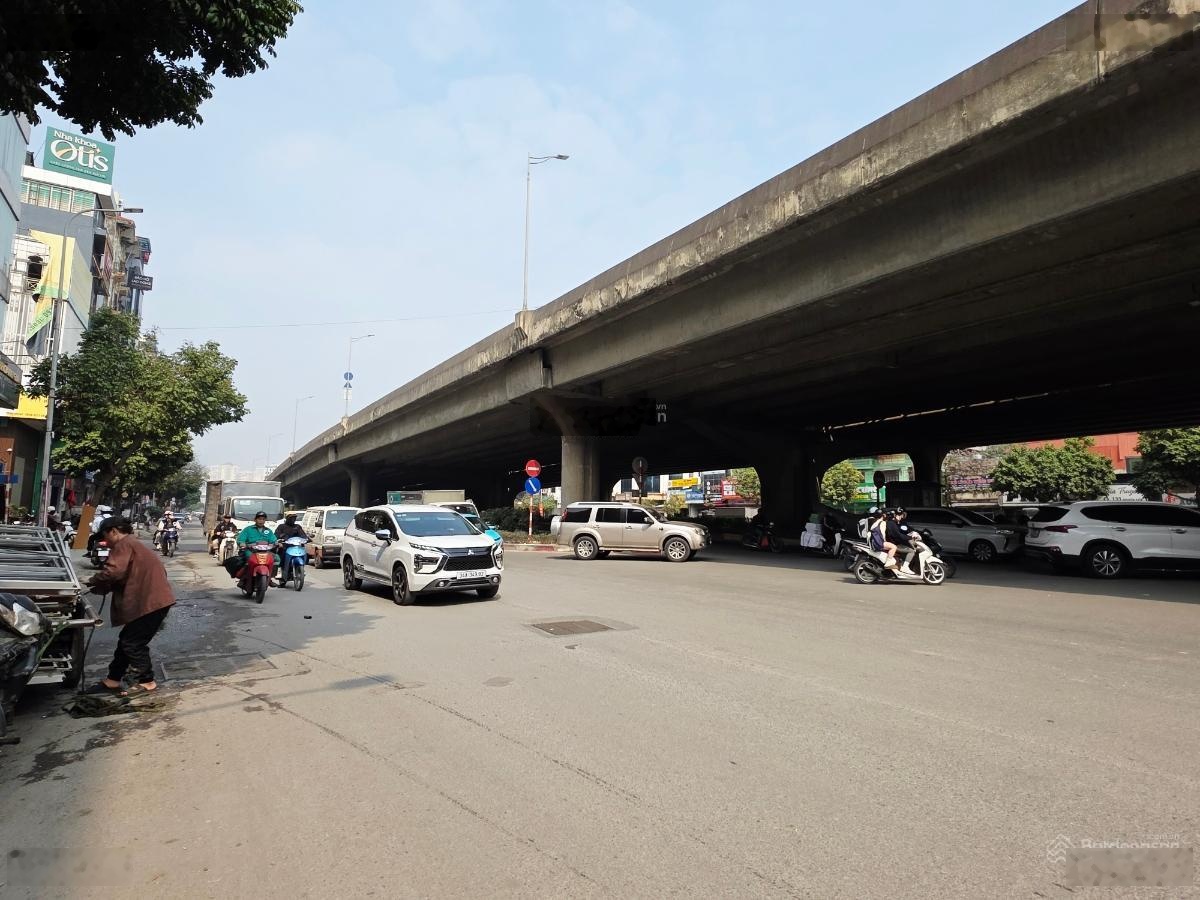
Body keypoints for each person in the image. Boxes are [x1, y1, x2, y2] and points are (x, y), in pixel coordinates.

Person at [84, 516, 175, 695]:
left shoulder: (124, 544)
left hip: (150, 602)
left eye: (105, 536)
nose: (106, 541)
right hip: (151, 601)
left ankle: (147, 681)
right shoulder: (133, 544)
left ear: (113, 531)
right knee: (126, 641)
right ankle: (113, 680)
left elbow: (114, 571)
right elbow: (124, 574)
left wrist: (92, 580)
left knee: (132, 643)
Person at [236, 511, 277, 583]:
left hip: (265, 551)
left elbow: (273, 540)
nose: (261, 521)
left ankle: (270, 577)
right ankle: (244, 578)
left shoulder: (268, 531)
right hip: (251, 551)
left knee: (277, 558)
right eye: (259, 519)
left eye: (263, 519)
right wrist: (242, 543)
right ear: (255, 520)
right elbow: (241, 539)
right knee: (249, 558)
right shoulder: (248, 529)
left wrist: (277, 543)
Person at [273, 512, 309, 584]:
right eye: (291, 518)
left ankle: (301, 569)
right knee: (281, 557)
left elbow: (303, 535)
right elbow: (276, 535)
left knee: (305, 554)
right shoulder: (281, 526)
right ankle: (280, 572)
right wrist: (280, 540)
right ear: (287, 518)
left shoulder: (297, 527)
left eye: (294, 518)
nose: (293, 520)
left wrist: (306, 539)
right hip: (285, 547)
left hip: (296, 546)